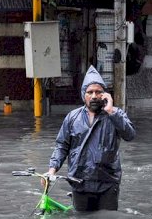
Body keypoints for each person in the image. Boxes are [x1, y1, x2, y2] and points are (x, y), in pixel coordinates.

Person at [47, 66, 136, 211]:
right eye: (90, 92)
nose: (94, 96)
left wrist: (111, 112)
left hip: (108, 182)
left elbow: (130, 135)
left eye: (98, 92)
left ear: (105, 95)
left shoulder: (115, 114)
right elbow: (62, 146)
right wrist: (52, 170)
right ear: (84, 95)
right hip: (80, 182)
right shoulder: (72, 117)